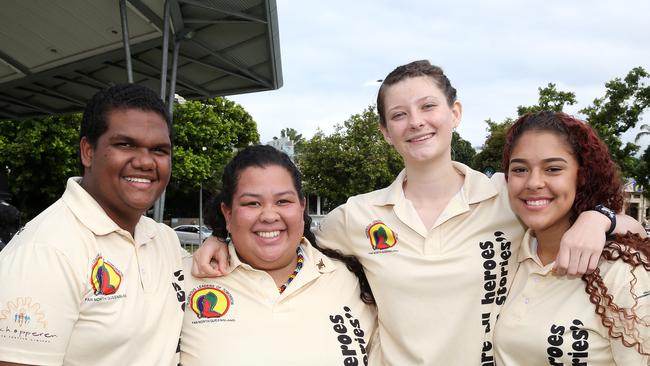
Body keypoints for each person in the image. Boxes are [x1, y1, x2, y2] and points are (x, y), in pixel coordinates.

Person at [194, 60, 644, 365]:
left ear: (455, 113)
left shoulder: (509, 195)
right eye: (399, 114)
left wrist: (598, 217)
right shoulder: (356, 216)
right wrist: (221, 235)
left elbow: (615, 221)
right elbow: (285, 238)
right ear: (386, 131)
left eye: (428, 106)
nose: (417, 122)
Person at [0, 84, 185, 366]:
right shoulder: (45, 251)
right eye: (125, 144)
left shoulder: (164, 239)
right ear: (88, 151)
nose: (146, 162)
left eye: (159, 150)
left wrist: (219, 242)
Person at [180, 145, 377, 365]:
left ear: (302, 207)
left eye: (283, 201)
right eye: (252, 203)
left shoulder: (352, 280)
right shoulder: (184, 279)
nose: (269, 215)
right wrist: (216, 237)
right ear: (228, 213)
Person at [494, 111, 650, 365]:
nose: (534, 182)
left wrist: (599, 218)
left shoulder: (622, 272)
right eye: (520, 169)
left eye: (553, 169)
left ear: (582, 175)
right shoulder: (507, 253)